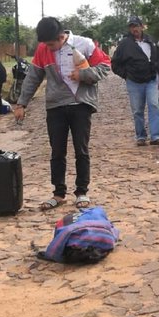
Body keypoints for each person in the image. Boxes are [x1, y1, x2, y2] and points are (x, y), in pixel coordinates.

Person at [14, 16, 111, 210]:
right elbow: (33, 77)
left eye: (51, 44)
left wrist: (83, 75)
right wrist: (21, 103)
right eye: (46, 44)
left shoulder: (85, 45)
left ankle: (82, 191)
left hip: (81, 104)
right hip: (55, 106)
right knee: (57, 151)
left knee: (81, 149)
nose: (49, 48)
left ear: (61, 37)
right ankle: (58, 194)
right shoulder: (43, 50)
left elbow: (105, 66)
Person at [112, 16, 159, 146]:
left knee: (154, 105)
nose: (134, 29)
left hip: (151, 79)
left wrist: (157, 68)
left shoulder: (150, 41)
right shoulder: (124, 44)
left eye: (136, 26)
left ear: (142, 26)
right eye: (132, 26)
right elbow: (115, 63)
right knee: (137, 110)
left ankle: (156, 136)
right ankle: (141, 136)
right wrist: (126, 75)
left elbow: (158, 57)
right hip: (134, 81)